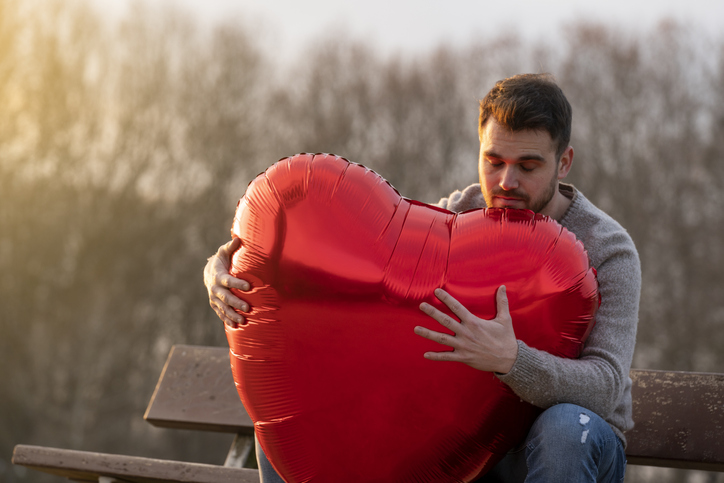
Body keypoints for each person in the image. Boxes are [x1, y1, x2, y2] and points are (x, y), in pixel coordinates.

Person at [204, 73, 641, 483]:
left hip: (561, 446)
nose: (507, 181)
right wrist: (234, 266)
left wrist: (512, 360)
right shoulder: (457, 218)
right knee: (294, 411)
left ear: (563, 162)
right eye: (493, 161)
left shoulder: (608, 248)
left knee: (565, 427)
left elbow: (604, 387)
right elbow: (362, 286)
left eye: (528, 166)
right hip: (457, 441)